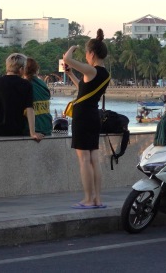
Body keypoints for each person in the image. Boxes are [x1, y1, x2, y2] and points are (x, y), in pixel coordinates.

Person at [61, 29, 112, 210]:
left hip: (82, 116)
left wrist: (73, 47)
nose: (86, 57)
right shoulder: (104, 74)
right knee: (94, 159)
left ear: (92, 54)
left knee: (83, 159)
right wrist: (71, 75)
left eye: (86, 54)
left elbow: (67, 58)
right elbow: (85, 90)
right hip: (93, 114)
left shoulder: (91, 69)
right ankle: (97, 199)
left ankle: (88, 199)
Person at [24, 58, 52, 137]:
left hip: (32, 128)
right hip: (47, 127)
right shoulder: (42, 84)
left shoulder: (24, 84)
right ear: (37, 70)